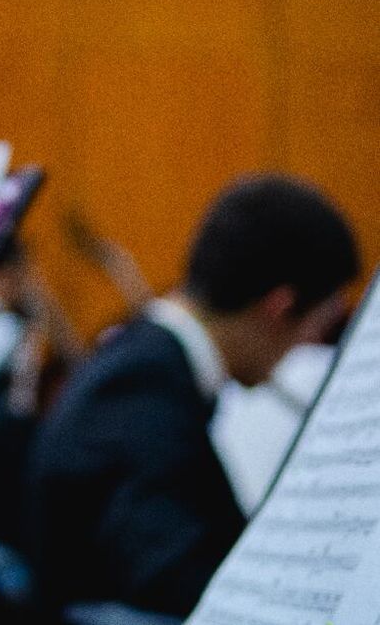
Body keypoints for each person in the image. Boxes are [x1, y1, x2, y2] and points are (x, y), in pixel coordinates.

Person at [20, 173, 360, 623]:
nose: (309, 346)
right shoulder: (142, 389)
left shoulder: (145, 360)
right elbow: (180, 585)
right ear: (278, 307)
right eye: (319, 326)